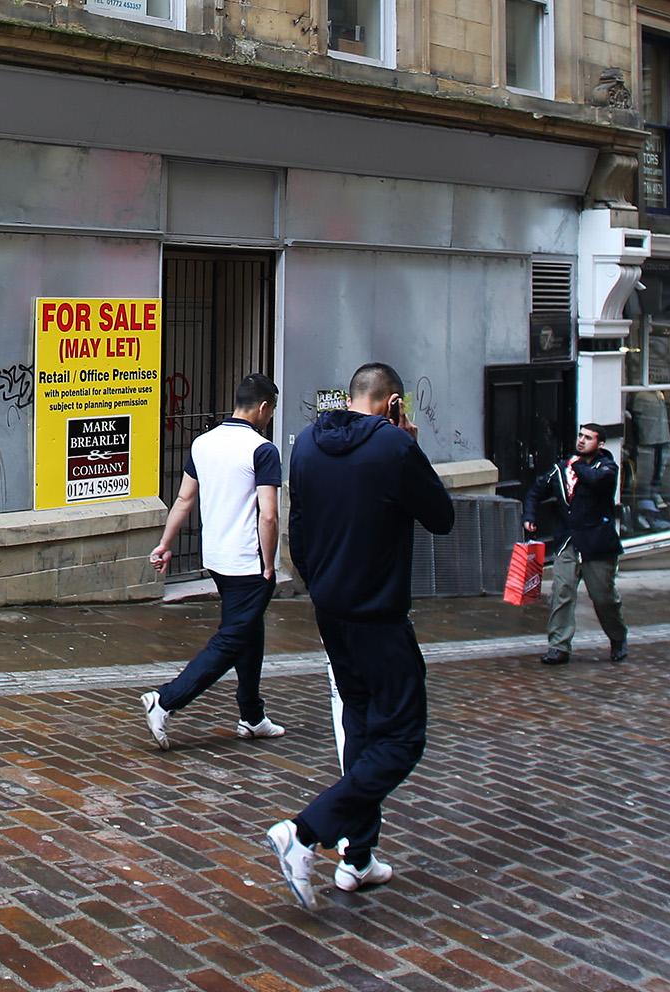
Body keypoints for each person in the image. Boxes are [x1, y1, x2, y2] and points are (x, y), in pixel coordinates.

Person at [265, 362, 455, 908]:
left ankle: (358, 857)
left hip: (331, 612)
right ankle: (304, 832)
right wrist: (410, 445)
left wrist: (321, 583)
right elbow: (441, 516)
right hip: (379, 615)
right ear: (393, 402)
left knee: (361, 729)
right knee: (401, 738)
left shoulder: (305, 447)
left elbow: (298, 533)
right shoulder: (394, 449)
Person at [141, 374, 287, 749]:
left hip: (217, 559)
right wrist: (269, 564)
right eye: (270, 411)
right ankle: (166, 700)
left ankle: (252, 715)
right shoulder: (263, 449)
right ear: (264, 408)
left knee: (248, 631)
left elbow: (183, 501)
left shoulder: (203, 443)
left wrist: (165, 543)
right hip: (248, 562)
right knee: (231, 640)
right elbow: (268, 515)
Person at [524, 423, 628, 665]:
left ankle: (618, 636)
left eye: (588, 438)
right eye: (580, 435)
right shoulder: (561, 469)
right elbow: (535, 491)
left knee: (603, 597)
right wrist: (529, 516)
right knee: (562, 592)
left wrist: (577, 465)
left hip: (596, 544)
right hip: (568, 542)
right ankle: (559, 646)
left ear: (600, 444)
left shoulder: (607, 467)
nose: (581, 440)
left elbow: (595, 480)